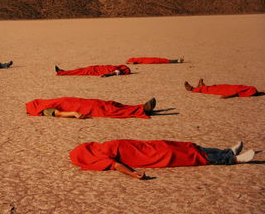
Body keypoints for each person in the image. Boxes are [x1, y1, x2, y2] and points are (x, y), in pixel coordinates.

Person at [70, 139, 255, 179]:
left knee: (185, 146)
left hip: (146, 145)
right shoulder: (97, 159)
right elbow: (116, 164)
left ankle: (227, 152)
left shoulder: (98, 147)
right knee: (187, 155)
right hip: (147, 155)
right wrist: (134, 174)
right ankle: (234, 160)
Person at [26, 97, 157, 119]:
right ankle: (142, 110)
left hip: (82, 102)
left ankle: (139, 106)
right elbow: (58, 113)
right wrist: (74, 113)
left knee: (110, 104)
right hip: (83, 107)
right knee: (108, 110)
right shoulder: (44, 109)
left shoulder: (45, 103)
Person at [184, 78, 261, 98]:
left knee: (214, 89)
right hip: (232, 88)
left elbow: (236, 93)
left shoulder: (251, 91)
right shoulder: (252, 89)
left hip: (231, 90)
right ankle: (202, 87)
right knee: (218, 86)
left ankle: (192, 89)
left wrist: (227, 96)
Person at [55, 65, 131, 78]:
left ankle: (61, 72)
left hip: (94, 70)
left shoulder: (120, 70)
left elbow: (114, 73)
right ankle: (62, 72)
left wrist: (107, 75)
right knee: (78, 71)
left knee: (78, 71)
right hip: (94, 69)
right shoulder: (120, 69)